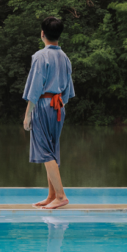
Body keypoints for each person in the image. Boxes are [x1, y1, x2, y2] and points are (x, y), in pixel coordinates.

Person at [22, 16, 75, 210]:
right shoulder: (65, 57)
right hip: (59, 106)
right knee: (51, 150)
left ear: (42, 34)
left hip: (44, 104)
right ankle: (52, 195)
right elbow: (69, 90)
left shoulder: (40, 56)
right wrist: (60, 103)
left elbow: (35, 88)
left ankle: (60, 196)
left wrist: (28, 114)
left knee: (45, 151)